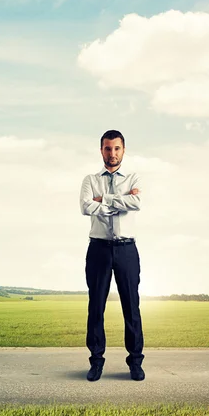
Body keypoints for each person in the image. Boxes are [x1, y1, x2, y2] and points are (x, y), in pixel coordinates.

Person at [79, 130, 145, 382]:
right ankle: (96, 362)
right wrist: (122, 200)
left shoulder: (133, 177)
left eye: (116, 148)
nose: (112, 153)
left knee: (131, 307)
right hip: (98, 248)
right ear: (101, 151)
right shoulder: (90, 180)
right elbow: (86, 207)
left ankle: (135, 362)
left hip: (127, 249)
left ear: (123, 150)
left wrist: (103, 199)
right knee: (96, 306)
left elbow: (137, 202)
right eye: (108, 148)